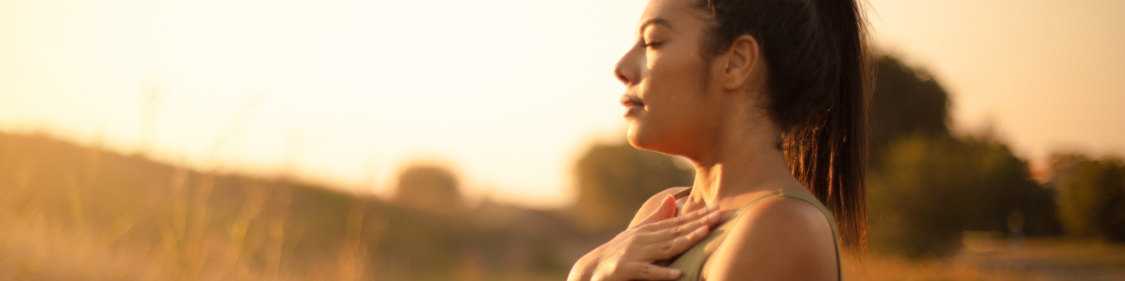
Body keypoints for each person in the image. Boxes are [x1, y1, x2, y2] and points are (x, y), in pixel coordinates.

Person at [568, 0, 870, 280]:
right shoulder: (663, 211)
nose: (621, 68)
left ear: (735, 62)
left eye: (653, 42)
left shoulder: (781, 226)